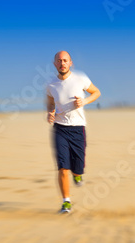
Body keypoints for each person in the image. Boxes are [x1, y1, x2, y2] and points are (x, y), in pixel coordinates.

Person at [46, 51, 101, 213]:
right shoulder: (50, 84)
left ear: (71, 63)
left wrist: (84, 101)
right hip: (59, 128)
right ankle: (66, 202)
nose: (62, 63)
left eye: (65, 60)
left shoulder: (80, 78)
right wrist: (50, 112)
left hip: (78, 128)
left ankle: (78, 174)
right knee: (63, 166)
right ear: (55, 63)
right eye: (59, 61)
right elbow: (50, 103)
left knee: (78, 167)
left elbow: (96, 92)